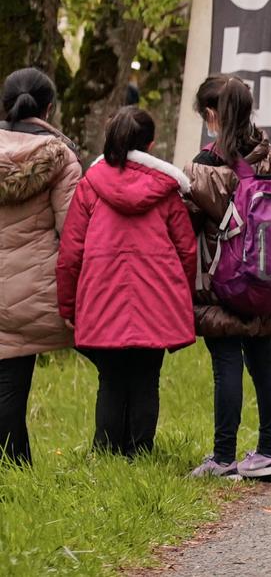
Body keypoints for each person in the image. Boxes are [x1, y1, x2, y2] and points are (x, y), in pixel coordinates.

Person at [57, 107, 197, 457]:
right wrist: (184, 298)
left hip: (101, 297)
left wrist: (68, 304)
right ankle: (141, 452)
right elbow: (187, 251)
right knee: (147, 378)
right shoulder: (166, 191)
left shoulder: (89, 187)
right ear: (150, 143)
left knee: (111, 379)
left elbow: (71, 253)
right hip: (157, 300)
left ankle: (106, 452)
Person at [184, 76, 271, 481]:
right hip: (268, 277)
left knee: (226, 364)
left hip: (224, 280)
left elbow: (190, 222)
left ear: (212, 115)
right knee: (264, 360)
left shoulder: (206, 166)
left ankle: (223, 458)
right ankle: (269, 451)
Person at [0, 69, 81, 465]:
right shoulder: (60, 157)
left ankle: (13, 473)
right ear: (49, 107)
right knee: (14, 388)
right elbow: (74, 233)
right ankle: (17, 468)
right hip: (34, 294)